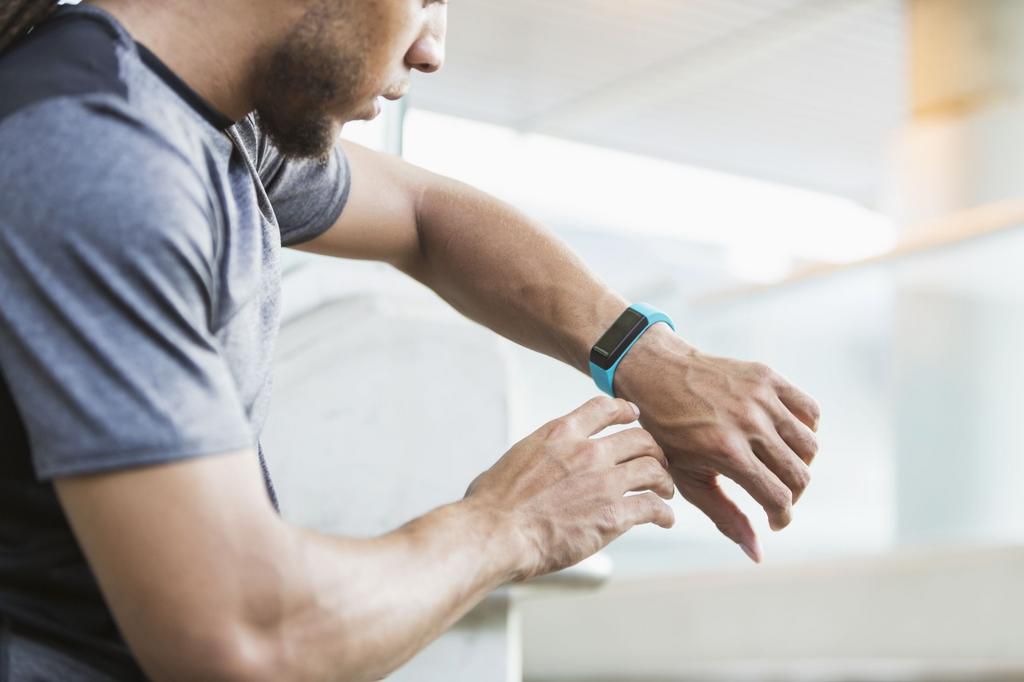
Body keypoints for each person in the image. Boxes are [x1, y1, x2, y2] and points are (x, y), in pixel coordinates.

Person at [0, 1, 821, 679]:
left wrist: (646, 358)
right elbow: (242, 640)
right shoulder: (97, 155)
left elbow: (429, 220)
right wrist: (513, 524)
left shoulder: (205, 125)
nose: (432, 50)